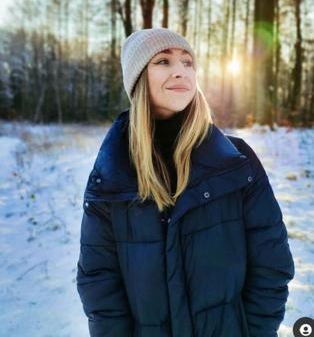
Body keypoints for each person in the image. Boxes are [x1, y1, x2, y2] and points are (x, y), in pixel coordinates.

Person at [76, 27, 295, 337]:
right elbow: (99, 284)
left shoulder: (236, 161)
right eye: (163, 62)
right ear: (138, 79)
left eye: (188, 62)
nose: (180, 71)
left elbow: (272, 266)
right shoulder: (113, 175)